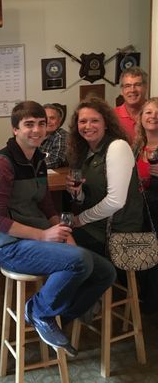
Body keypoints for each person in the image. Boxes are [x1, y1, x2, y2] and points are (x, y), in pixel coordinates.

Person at [0, 101, 116, 357]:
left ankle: (59, 317)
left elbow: (45, 203)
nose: (36, 130)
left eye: (41, 124)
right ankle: (38, 312)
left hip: (36, 238)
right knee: (79, 261)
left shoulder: (37, 159)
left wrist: (64, 232)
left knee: (106, 272)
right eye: (29, 124)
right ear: (15, 129)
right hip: (8, 246)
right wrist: (44, 235)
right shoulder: (1, 164)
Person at [67, 97, 143, 257]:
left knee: (59, 243)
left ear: (106, 124)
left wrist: (80, 219)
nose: (88, 126)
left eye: (94, 120)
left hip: (117, 232)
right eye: (83, 121)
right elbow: (90, 197)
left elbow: (116, 201)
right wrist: (78, 193)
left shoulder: (117, 147)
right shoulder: (85, 151)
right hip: (96, 225)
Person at [133, 97, 158, 313]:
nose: (153, 116)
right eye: (148, 112)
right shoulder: (137, 148)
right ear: (141, 118)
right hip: (140, 212)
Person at [114, 66, 148, 144]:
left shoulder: (154, 113)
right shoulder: (112, 116)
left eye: (137, 85)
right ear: (122, 91)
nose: (132, 90)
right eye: (127, 86)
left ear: (145, 87)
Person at [39, 103, 68, 168]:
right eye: (45, 118)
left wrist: (30, 166)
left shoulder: (61, 136)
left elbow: (55, 161)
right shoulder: (37, 135)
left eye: (52, 118)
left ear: (59, 121)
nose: (48, 121)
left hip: (59, 173)